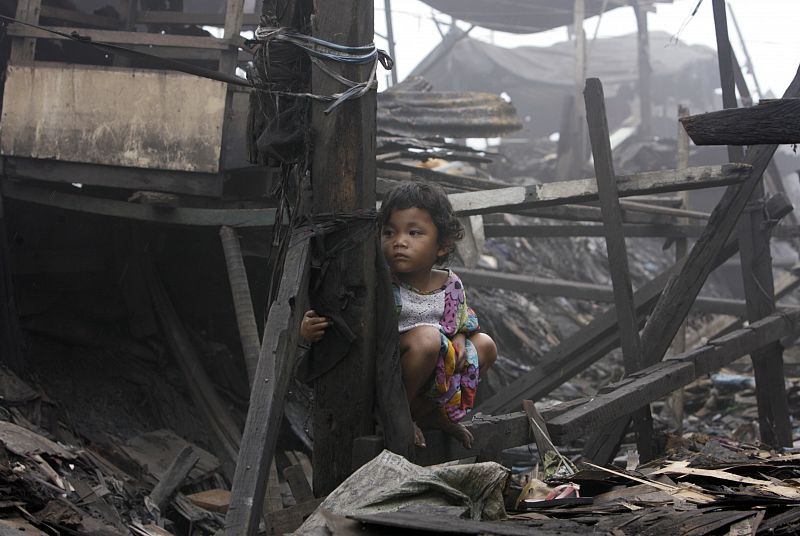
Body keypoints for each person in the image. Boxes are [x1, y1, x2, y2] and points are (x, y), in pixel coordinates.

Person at [300, 181, 497, 449]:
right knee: (427, 339)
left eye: (414, 233)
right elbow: (340, 323)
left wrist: (461, 338)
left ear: (443, 245)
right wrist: (308, 330)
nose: (399, 242)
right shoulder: (379, 283)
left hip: (432, 378)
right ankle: (392, 414)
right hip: (387, 375)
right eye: (389, 232)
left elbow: (461, 320)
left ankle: (429, 414)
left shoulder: (450, 284)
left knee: (485, 344)